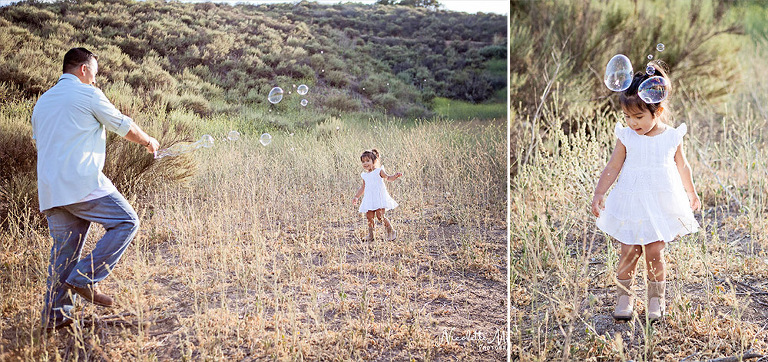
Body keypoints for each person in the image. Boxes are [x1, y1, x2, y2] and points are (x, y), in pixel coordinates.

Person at [32, 47, 160, 331]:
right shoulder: (87, 94)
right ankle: (85, 277)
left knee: (63, 253)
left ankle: (55, 318)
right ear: (83, 70)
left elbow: (38, 141)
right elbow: (122, 125)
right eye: (94, 73)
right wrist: (148, 140)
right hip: (81, 183)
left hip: (51, 190)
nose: (94, 79)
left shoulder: (42, 102)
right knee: (127, 221)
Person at [590, 62, 700, 322]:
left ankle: (655, 299)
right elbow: (613, 166)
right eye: (627, 116)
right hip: (631, 201)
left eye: (638, 117)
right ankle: (624, 297)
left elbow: (682, 166)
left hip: (660, 202)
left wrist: (692, 193)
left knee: (654, 251)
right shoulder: (627, 136)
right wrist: (599, 193)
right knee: (629, 250)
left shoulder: (671, 136)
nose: (632, 123)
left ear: (658, 111)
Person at [352, 149, 402, 241]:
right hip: (369, 199)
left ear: (374, 161)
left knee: (380, 216)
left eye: (368, 161)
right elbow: (363, 187)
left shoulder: (379, 171)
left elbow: (388, 178)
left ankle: (391, 231)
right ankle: (371, 235)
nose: (365, 163)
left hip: (379, 198)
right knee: (369, 217)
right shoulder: (364, 175)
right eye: (363, 162)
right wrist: (356, 197)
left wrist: (394, 176)